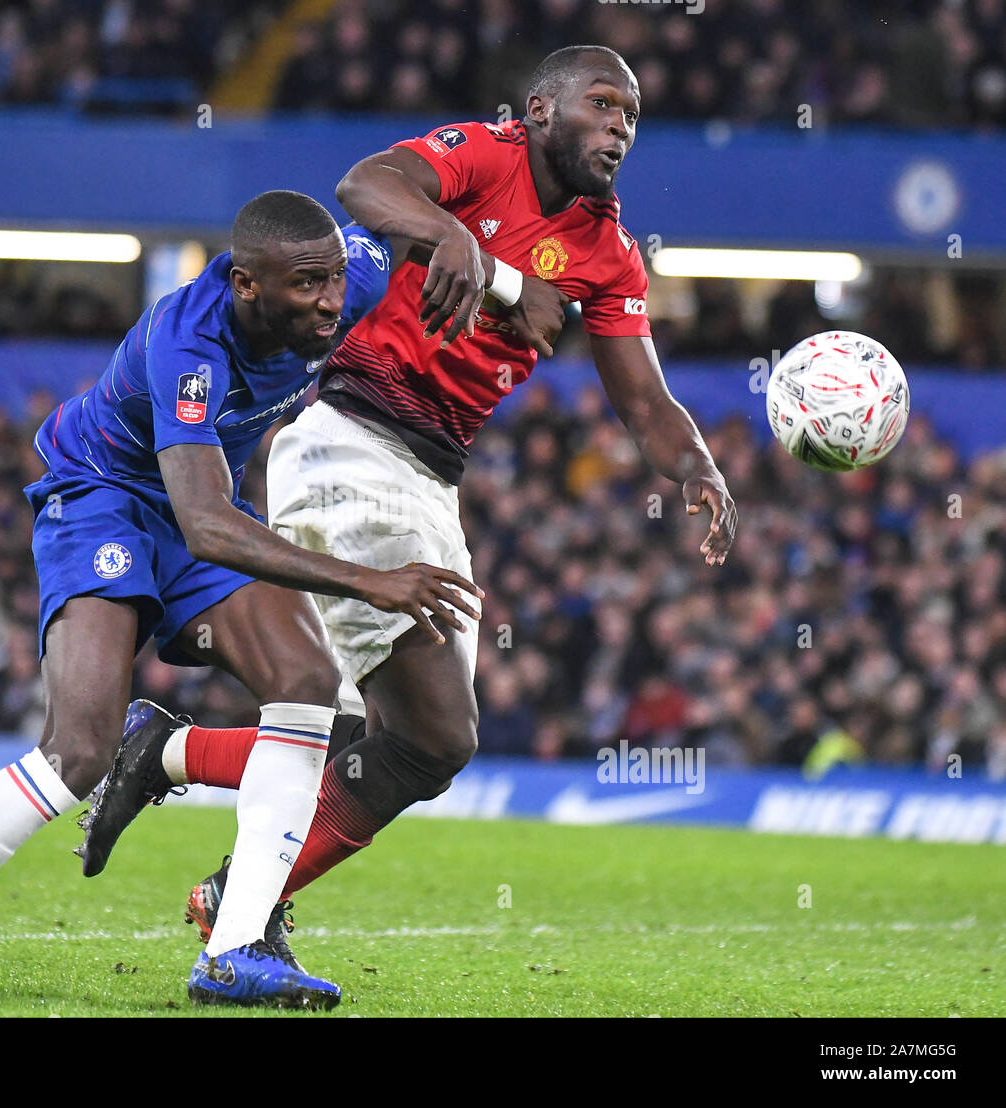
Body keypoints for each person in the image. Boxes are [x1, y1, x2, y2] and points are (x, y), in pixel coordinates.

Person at [83, 46, 738, 962]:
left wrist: (697, 466)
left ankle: (177, 774)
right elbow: (364, 185)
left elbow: (642, 399)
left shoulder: (610, 254)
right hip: (353, 442)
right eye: (603, 103)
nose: (621, 125)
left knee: (388, 742)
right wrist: (468, 247)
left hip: (430, 477)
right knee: (433, 731)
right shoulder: (483, 154)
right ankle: (240, 912)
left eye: (632, 114)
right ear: (541, 111)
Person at [0, 190, 481, 1009]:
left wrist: (471, 250)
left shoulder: (351, 275)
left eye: (335, 281)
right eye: (308, 286)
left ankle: (234, 949)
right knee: (79, 751)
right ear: (246, 285)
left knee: (307, 683)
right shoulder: (189, 344)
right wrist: (373, 580)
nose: (330, 302)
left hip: (196, 506)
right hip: (104, 499)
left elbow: (379, 199)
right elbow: (207, 527)